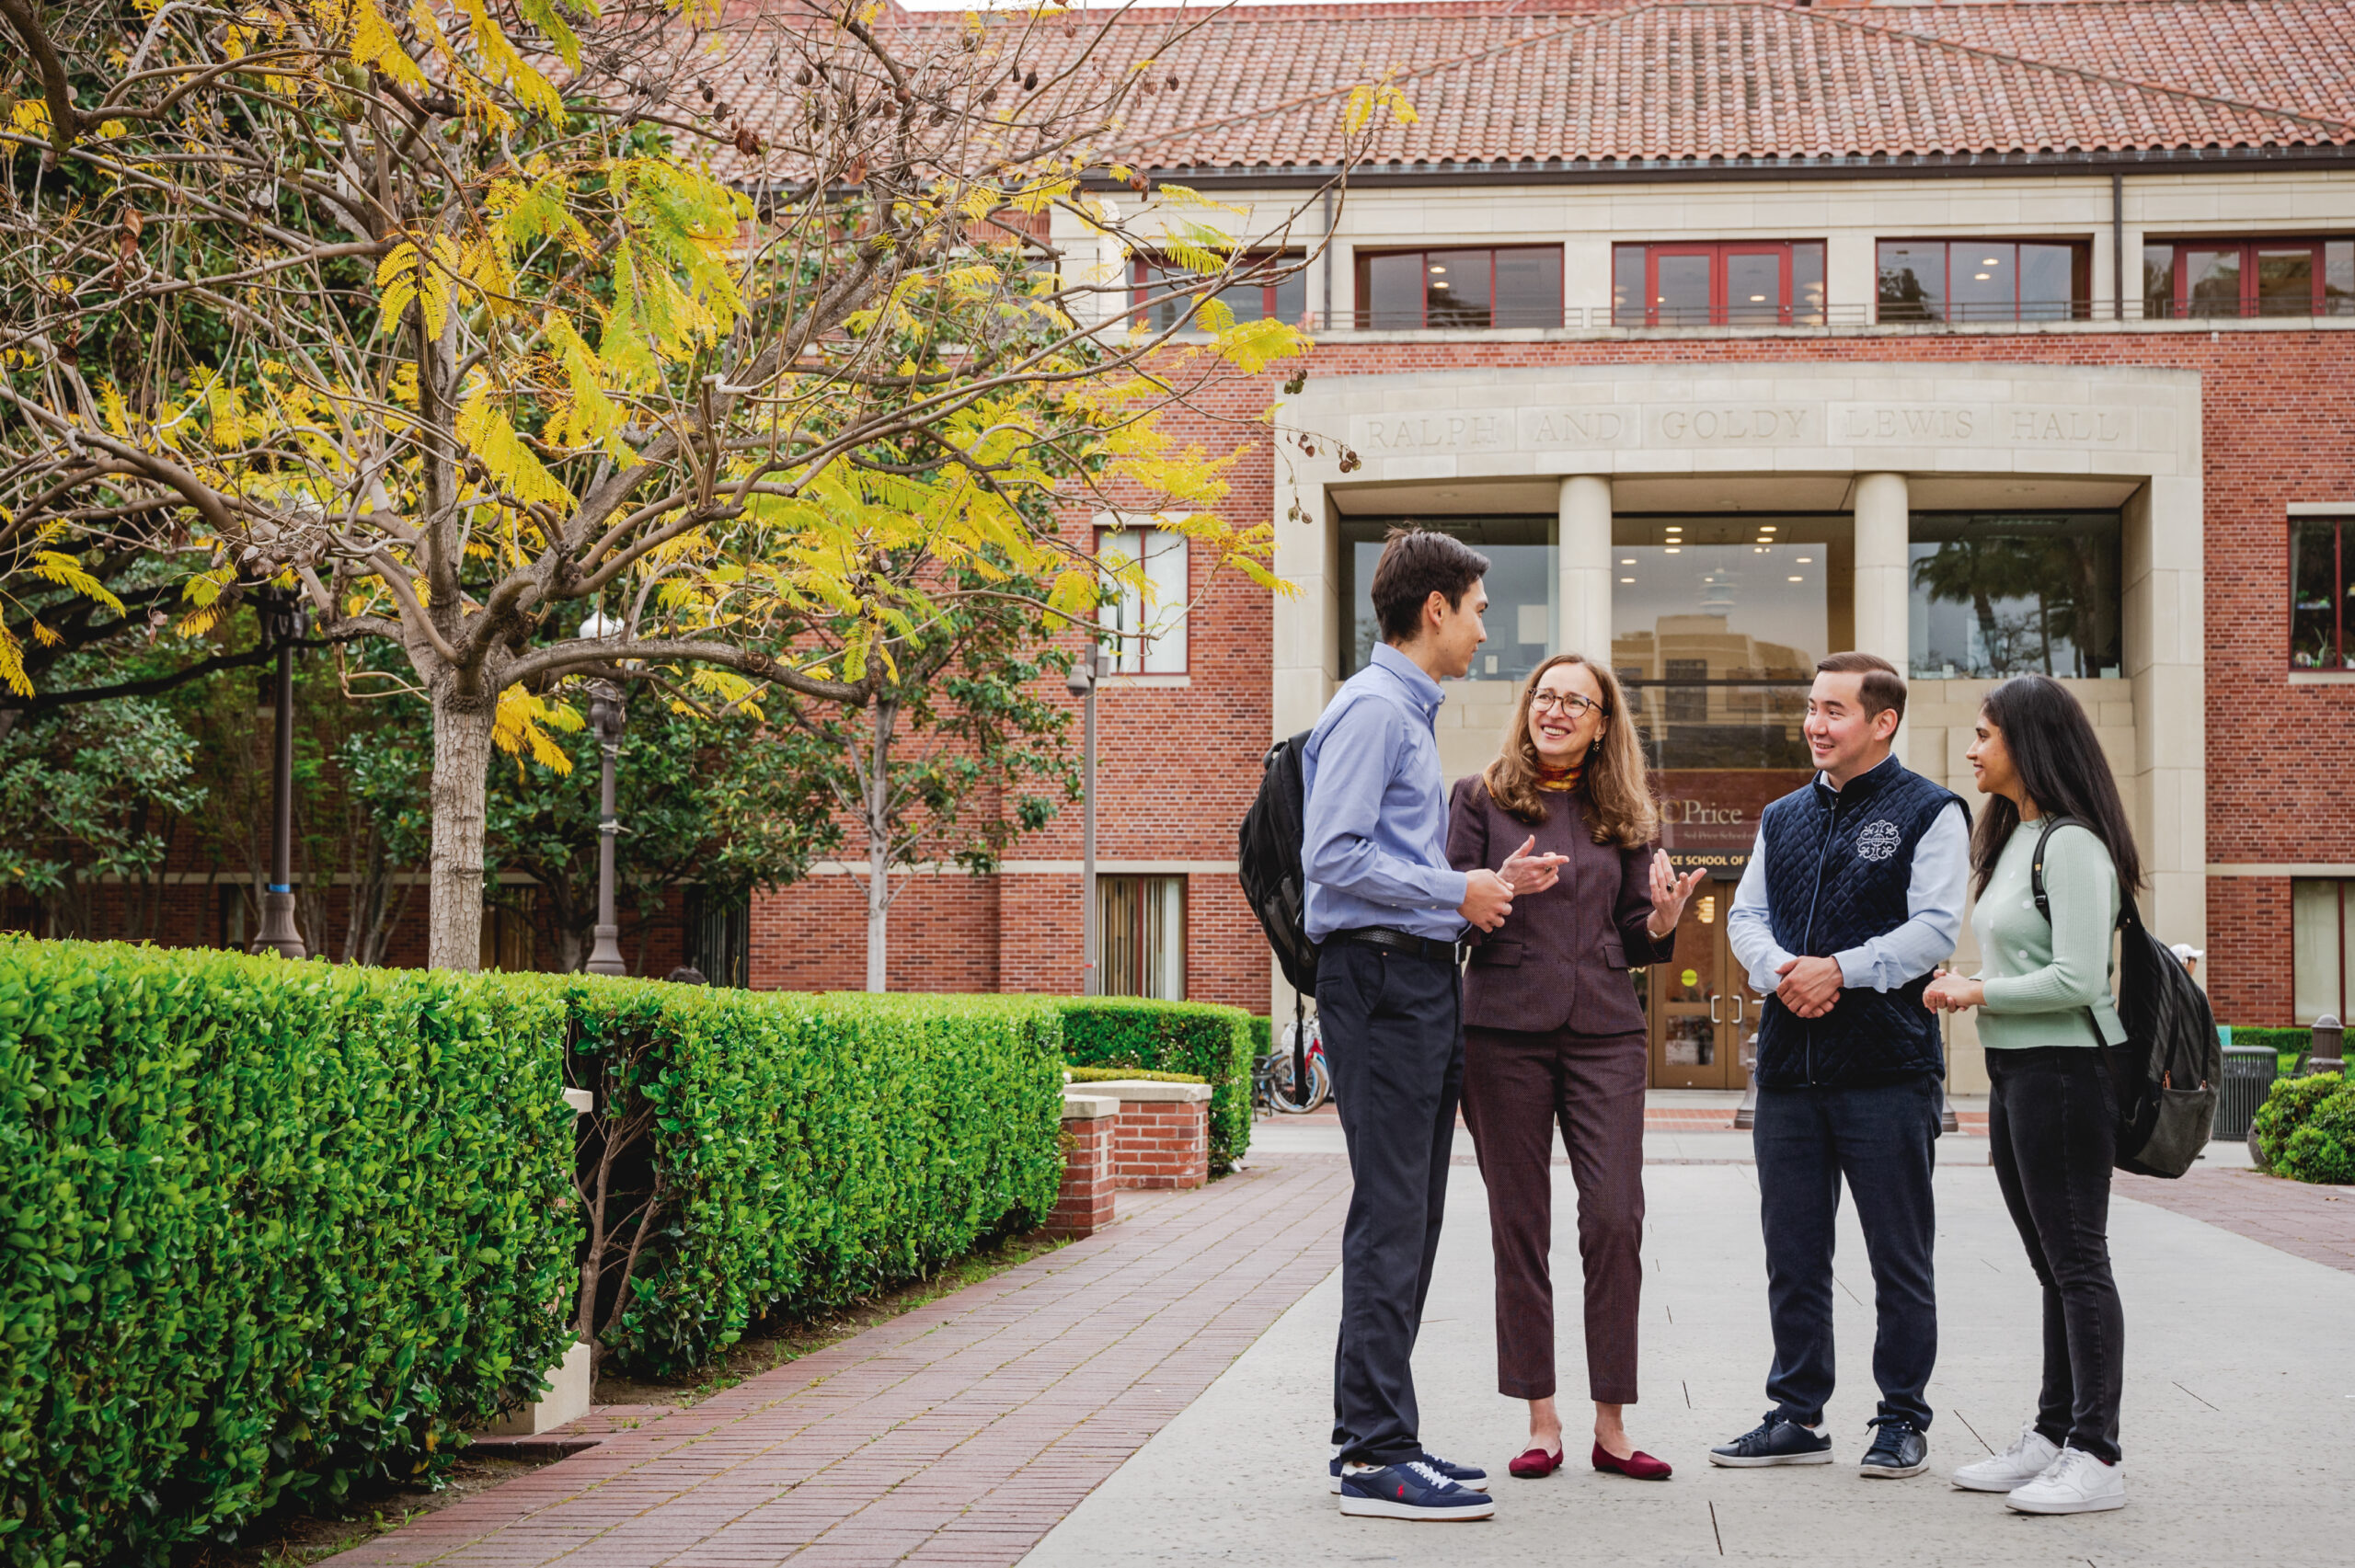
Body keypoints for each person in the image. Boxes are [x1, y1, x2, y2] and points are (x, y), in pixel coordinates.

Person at [1304, 528, 1534, 1522]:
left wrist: (1473, 894)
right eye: (1478, 608)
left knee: (1412, 1214)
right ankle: (1370, 1454)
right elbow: (1333, 856)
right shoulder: (1373, 711)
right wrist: (1456, 887)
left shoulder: (1402, 711)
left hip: (1410, 981)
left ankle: (1383, 1437)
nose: (1486, 628)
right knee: (1392, 1214)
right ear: (1433, 608)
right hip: (1384, 982)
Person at [1447, 653, 1705, 1483]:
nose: (1555, 710)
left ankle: (1612, 1422)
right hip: (1502, 1033)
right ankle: (1542, 1417)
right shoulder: (1479, 797)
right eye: (1545, 696)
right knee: (1519, 1224)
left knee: (1614, 1216)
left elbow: (1636, 931)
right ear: (1529, 707)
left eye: (1575, 702)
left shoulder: (1626, 812)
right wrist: (1494, 887)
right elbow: (1444, 906)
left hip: (1603, 1031)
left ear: (1602, 724)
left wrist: (1663, 922)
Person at [1711, 651, 1968, 1481]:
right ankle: (1796, 1411)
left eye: (1834, 711)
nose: (1815, 725)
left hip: (1887, 1069)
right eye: (1812, 708)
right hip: (1789, 1070)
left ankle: (1902, 1417)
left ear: (1882, 721)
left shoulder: (1932, 810)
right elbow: (1744, 916)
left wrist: (1841, 968)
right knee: (1792, 1248)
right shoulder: (1780, 815)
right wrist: (1786, 969)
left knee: (1899, 1253)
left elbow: (1933, 929)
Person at [1924, 674, 2138, 1516]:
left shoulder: (2074, 845)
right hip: (2019, 1073)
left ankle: (2097, 1451)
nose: (1972, 748)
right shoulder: (2017, 837)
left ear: (2029, 741)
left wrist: (1976, 990)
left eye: (1985, 733)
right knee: (2053, 1266)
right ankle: (2054, 1435)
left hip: (2066, 1074)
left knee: (2079, 1262)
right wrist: (1977, 988)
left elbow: (2081, 978)